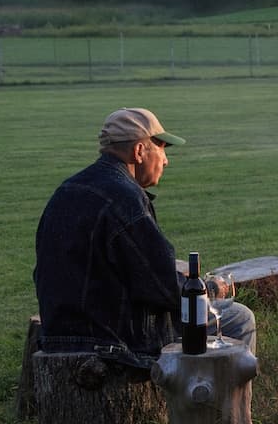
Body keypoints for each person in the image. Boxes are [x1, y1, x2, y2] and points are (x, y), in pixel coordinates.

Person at [34, 108, 257, 372]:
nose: (165, 161)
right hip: (112, 341)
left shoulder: (68, 189)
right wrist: (207, 288)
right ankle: (213, 408)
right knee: (238, 318)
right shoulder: (126, 197)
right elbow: (164, 289)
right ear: (140, 151)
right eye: (162, 149)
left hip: (58, 333)